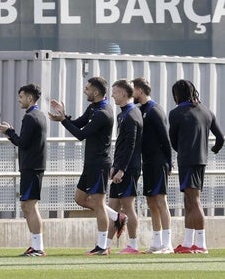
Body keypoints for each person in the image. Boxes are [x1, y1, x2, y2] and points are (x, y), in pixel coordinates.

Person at [49, 76, 126, 256]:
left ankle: (102, 247)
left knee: (98, 204)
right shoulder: (93, 107)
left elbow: (81, 135)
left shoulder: (103, 112)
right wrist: (64, 116)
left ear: (96, 92)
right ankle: (117, 217)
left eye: (87, 88)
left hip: (100, 163)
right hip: (90, 163)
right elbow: (78, 124)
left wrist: (62, 121)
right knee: (80, 198)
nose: (85, 91)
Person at [169, 79, 224, 254]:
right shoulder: (207, 111)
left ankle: (201, 244)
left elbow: (173, 140)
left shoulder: (176, 113)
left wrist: (182, 150)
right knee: (189, 200)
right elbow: (221, 138)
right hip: (201, 159)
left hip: (187, 160)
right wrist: (214, 149)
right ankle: (187, 242)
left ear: (177, 94)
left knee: (194, 200)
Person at [0, 84, 47, 257]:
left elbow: (22, 142)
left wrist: (9, 131)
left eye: (21, 96)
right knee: (28, 206)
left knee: (29, 206)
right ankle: (36, 246)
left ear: (30, 98)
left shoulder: (31, 117)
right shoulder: (37, 115)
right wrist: (11, 133)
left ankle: (38, 247)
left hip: (32, 167)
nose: (19, 99)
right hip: (33, 167)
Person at [132, 77, 174, 254]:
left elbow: (165, 138)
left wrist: (169, 162)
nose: (131, 93)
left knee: (160, 201)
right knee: (150, 201)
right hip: (147, 162)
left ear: (140, 91)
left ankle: (168, 243)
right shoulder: (141, 110)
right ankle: (157, 242)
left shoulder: (155, 110)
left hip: (158, 162)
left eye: (133, 90)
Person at [106, 80, 143, 254]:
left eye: (114, 92)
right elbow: (121, 145)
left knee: (128, 206)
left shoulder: (131, 114)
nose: (112, 95)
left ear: (123, 93)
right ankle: (105, 245)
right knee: (113, 208)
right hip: (120, 167)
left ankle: (134, 245)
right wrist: (115, 166)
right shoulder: (123, 114)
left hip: (128, 169)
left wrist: (122, 169)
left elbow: (131, 145)